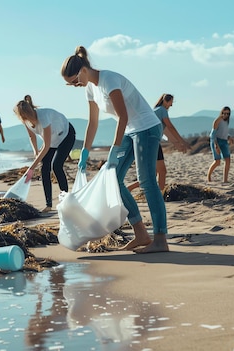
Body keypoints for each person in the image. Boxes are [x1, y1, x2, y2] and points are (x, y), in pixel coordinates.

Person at [61, 45, 168, 253]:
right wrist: (85, 151)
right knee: (114, 180)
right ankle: (141, 233)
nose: (75, 85)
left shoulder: (108, 80)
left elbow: (123, 116)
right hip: (130, 130)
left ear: (83, 70)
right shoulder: (90, 89)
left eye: (74, 80)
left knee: (146, 180)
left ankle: (161, 239)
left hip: (146, 127)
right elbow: (93, 123)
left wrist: (114, 148)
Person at [13, 95, 75, 213]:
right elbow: (32, 136)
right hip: (52, 139)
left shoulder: (44, 117)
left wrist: (31, 167)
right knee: (44, 167)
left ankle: (65, 200)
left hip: (66, 135)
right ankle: (48, 204)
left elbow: (46, 146)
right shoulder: (25, 120)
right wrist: (36, 152)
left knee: (56, 166)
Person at [127, 94, 191, 192]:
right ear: (166, 101)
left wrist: (177, 144)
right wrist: (182, 141)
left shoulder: (155, 111)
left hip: (147, 141)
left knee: (155, 172)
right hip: (152, 142)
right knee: (161, 171)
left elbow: (166, 132)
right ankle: (160, 195)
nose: (171, 105)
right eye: (171, 102)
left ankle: (129, 188)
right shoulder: (162, 110)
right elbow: (170, 127)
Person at [207, 106, 234, 183]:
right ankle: (209, 177)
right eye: (224, 113)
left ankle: (225, 180)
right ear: (221, 113)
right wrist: (216, 145)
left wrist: (229, 137)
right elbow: (213, 135)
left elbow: (223, 132)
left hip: (224, 141)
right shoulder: (217, 120)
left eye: (228, 114)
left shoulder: (227, 121)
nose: (225, 115)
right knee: (217, 162)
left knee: (228, 160)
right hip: (216, 141)